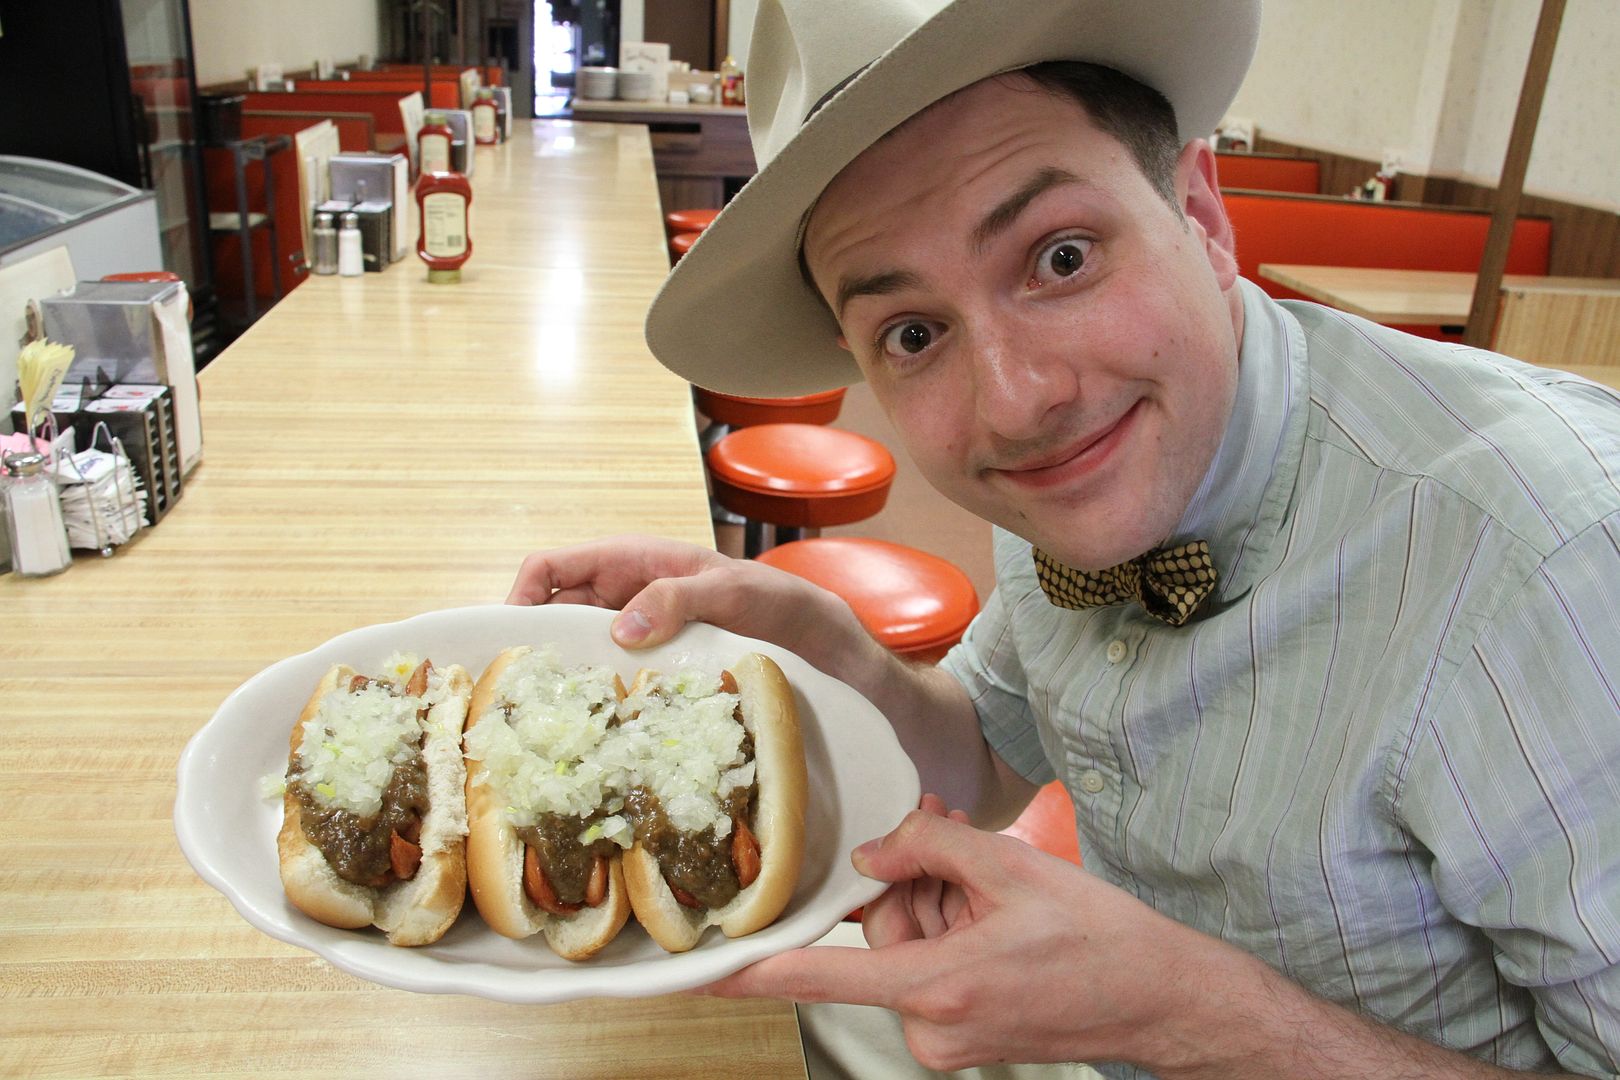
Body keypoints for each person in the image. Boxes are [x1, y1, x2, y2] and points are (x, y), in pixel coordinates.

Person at [509, 0, 1620, 1076]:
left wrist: (1189, 1015)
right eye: (912, 332)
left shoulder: (1550, 559)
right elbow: (990, 760)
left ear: (1203, 215)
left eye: (1062, 258)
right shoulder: (1078, 478)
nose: (1015, 401)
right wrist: (837, 649)